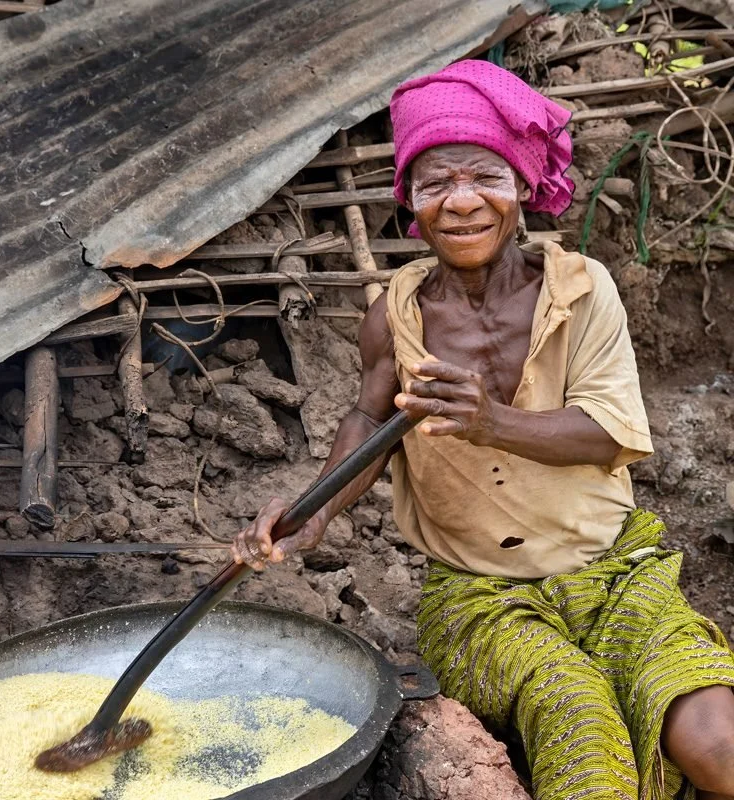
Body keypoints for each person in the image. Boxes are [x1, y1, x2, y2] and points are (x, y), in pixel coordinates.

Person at [231, 60, 734, 800]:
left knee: (713, 738)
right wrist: (316, 515)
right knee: (577, 711)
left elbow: (608, 431)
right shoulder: (393, 319)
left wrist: (490, 421)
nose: (462, 202)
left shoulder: (583, 291)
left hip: (617, 569)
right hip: (480, 596)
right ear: (411, 202)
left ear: (523, 188)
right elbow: (371, 420)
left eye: (484, 178)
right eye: (436, 184)